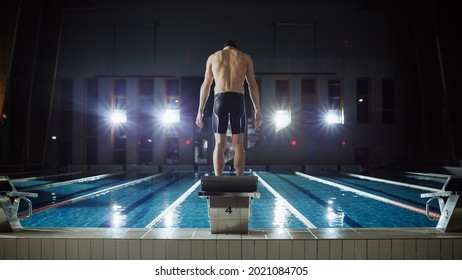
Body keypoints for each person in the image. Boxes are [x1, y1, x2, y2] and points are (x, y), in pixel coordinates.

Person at [196, 40, 262, 176]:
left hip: (220, 98)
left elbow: (205, 86)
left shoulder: (214, 57)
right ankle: (239, 179)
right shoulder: (245, 57)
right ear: (235, 48)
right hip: (238, 99)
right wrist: (257, 110)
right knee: (238, 144)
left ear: (224, 48)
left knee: (219, 143)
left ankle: (218, 178)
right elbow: (253, 85)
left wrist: (200, 111)